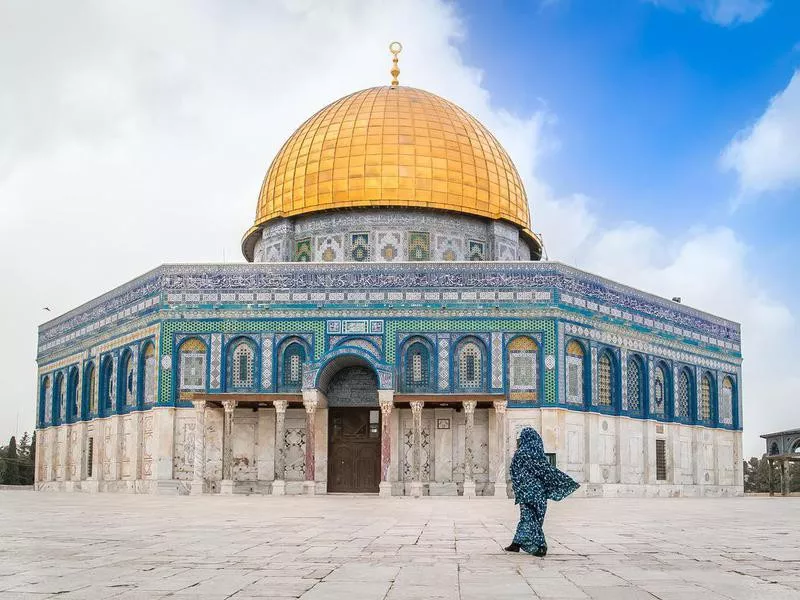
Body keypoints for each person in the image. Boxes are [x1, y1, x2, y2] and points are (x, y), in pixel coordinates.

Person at [505, 427, 579, 556]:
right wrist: (564, 480)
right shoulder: (538, 455)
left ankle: (540, 546)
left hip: (525, 493)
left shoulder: (520, 453)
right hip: (539, 493)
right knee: (534, 518)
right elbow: (546, 471)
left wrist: (520, 487)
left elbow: (513, 472)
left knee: (528, 517)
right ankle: (516, 544)